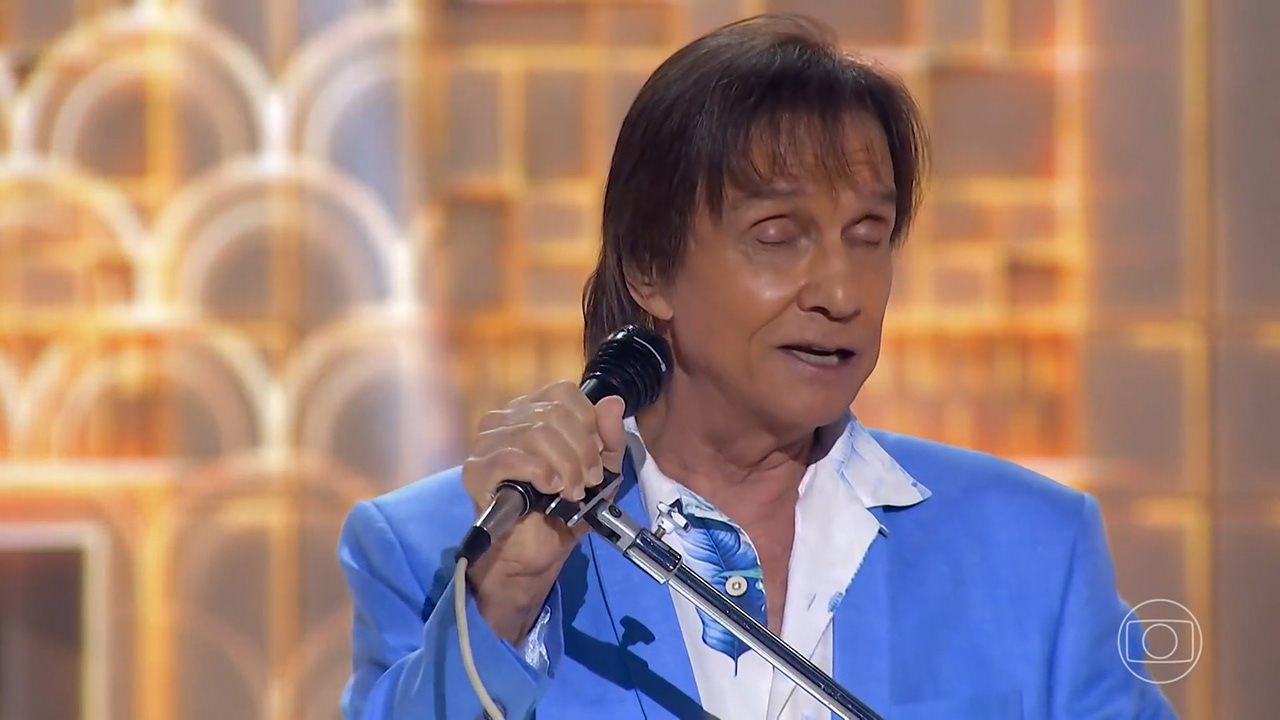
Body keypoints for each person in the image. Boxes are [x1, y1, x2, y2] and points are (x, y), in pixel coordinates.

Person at [336, 14, 1178, 720]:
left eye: (868, 237)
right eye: (778, 237)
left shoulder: (1034, 550)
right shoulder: (438, 548)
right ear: (650, 268)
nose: (841, 293)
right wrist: (506, 600)